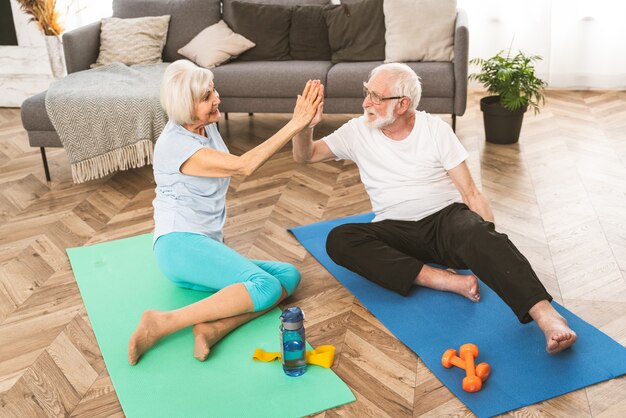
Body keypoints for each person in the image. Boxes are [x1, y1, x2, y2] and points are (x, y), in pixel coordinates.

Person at [292, 63, 577, 354]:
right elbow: (306, 155)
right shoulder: (358, 130)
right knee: (339, 240)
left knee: (476, 232)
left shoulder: (435, 130)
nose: (366, 102)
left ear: (402, 104)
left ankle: (548, 317)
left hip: (445, 223)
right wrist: (305, 126)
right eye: (367, 93)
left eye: (376, 97)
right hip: (395, 230)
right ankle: (446, 281)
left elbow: (470, 192)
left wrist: (488, 244)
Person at [128, 60, 323, 365]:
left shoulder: (204, 126)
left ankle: (214, 328)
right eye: (206, 97)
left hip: (202, 246)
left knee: (289, 275)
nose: (217, 98)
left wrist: (304, 124)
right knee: (266, 286)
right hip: (178, 245)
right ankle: (163, 322)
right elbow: (244, 166)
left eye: (213, 90)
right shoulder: (176, 145)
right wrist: (296, 122)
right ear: (185, 106)